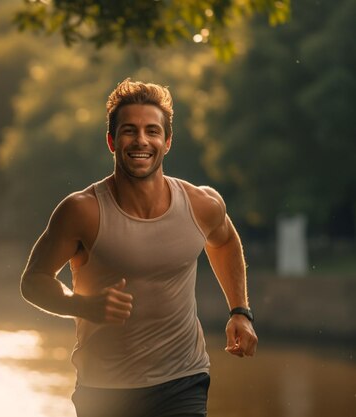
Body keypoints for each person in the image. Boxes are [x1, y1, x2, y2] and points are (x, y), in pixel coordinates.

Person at [20, 78, 258, 417]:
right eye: (129, 131)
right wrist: (83, 306)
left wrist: (240, 311)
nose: (141, 140)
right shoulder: (81, 211)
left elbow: (225, 242)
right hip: (105, 390)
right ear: (111, 142)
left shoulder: (201, 204)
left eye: (152, 131)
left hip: (184, 379)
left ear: (168, 141)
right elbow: (33, 280)